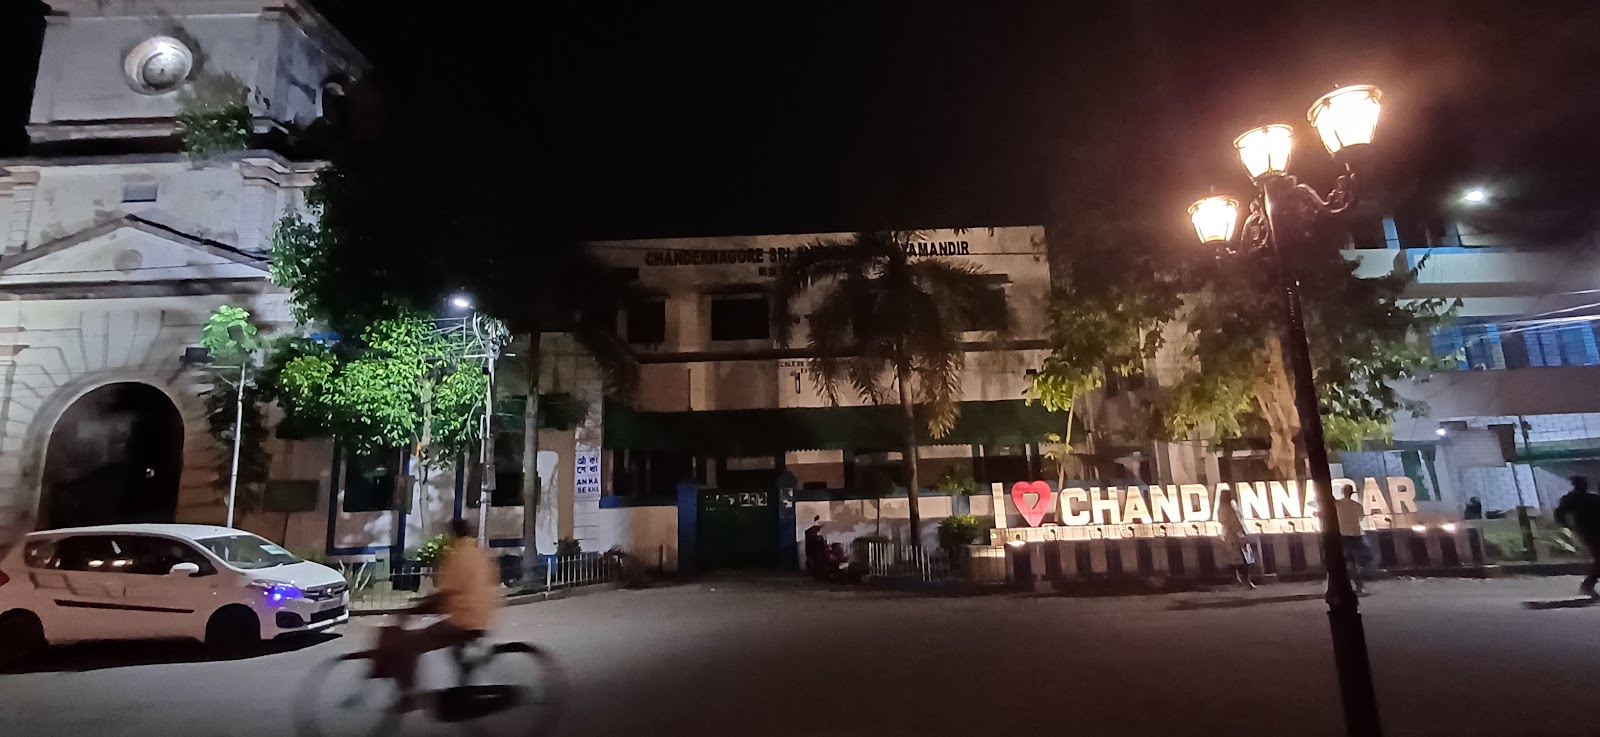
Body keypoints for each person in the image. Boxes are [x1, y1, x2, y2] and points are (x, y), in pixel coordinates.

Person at [385, 518, 504, 708]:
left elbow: (442, 595)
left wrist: (411, 611)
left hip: (463, 620)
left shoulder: (457, 556)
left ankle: (407, 695)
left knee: (413, 644)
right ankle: (463, 684)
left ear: (453, 534)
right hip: (484, 618)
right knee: (456, 650)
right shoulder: (481, 553)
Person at [1554, 476, 1600, 600]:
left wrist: (1569, 525)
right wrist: (1569, 525)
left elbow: (1559, 515)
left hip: (1586, 530)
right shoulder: (1585, 499)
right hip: (1589, 531)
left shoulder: (1572, 499)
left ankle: (1588, 584)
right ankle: (1588, 584)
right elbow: (1559, 515)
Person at [1335, 484, 1373, 595]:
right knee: (1361, 559)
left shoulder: (1337, 504)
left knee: (1348, 561)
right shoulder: (1357, 505)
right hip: (1356, 535)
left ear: (1343, 492)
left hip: (1343, 535)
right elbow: (1360, 518)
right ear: (1352, 493)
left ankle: (1355, 584)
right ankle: (1360, 582)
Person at [1216, 487, 1256, 590]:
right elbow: (1226, 521)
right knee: (1238, 560)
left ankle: (1242, 580)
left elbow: (1239, 520)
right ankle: (1241, 580)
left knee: (1243, 559)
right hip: (1233, 536)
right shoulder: (1224, 508)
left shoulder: (1232, 505)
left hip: (1237, 535)